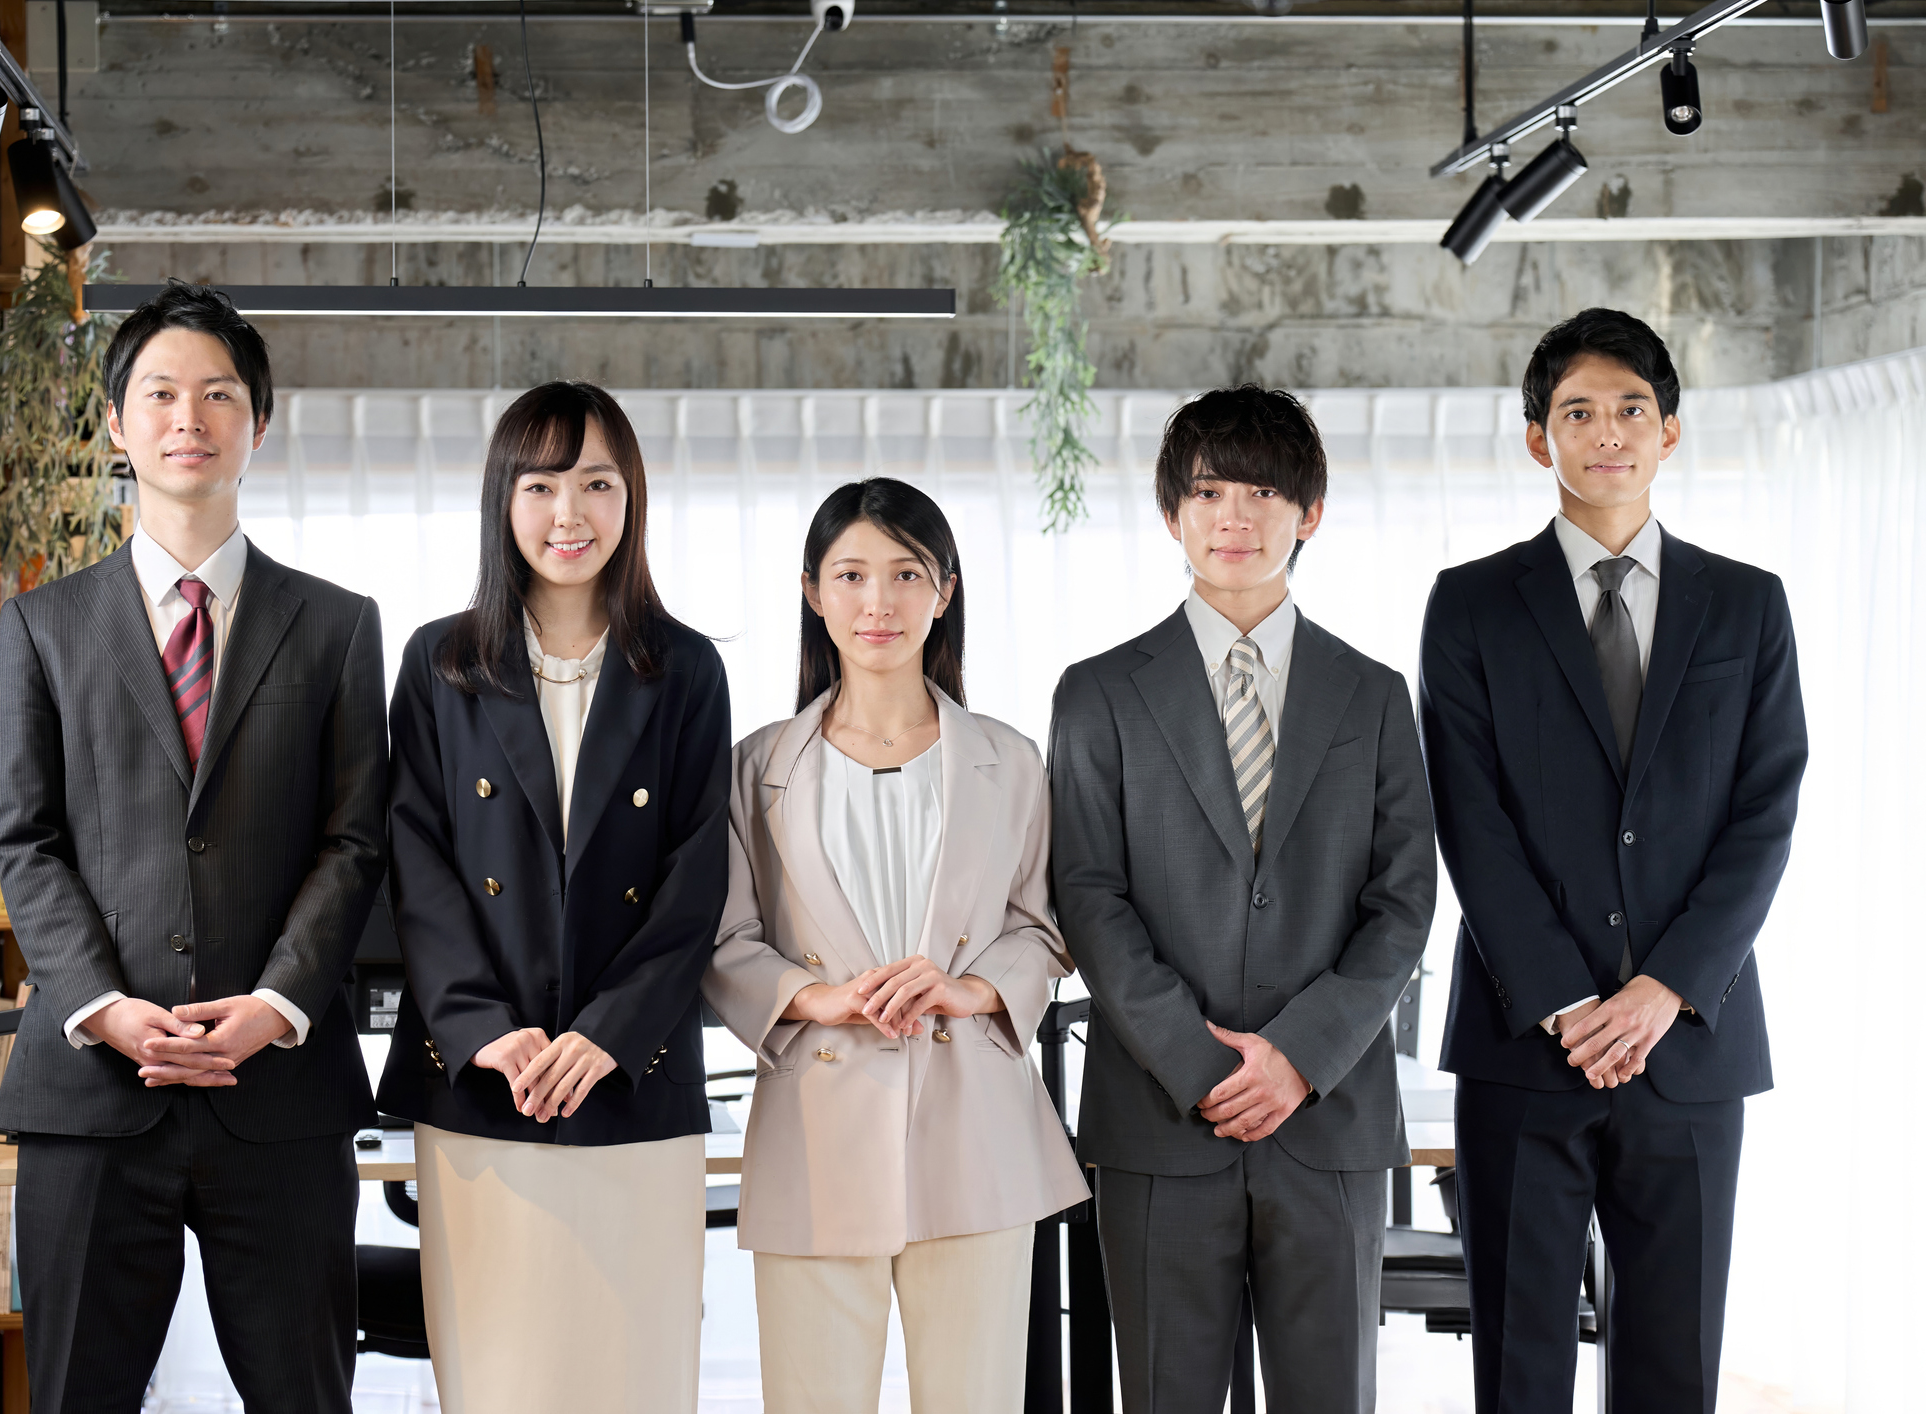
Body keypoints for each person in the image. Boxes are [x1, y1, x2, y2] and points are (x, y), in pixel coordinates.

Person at [0, 282, 387, 1412]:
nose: (189, 418)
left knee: (306, 1394)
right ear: (116, 423)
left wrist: (274, 1005)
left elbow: (354, 842)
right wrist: (104, 1006)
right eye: (160, 392)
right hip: (92, 1091)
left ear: (260, 422)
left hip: (281, 1093)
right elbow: (26, 839)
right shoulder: (44, 625)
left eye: (219, 394)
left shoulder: (337, 624)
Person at [1419, 309, 1807, 1413]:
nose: (1608, 432)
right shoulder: (1472, 603)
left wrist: (1660, 990)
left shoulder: (1748, 604)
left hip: (1690, 1047)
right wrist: (1567, 1000)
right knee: (1519, 1367)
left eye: (1632, 408)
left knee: (1672, 1369)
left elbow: (1765, 816)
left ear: (1670, 431)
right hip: (1523, 1043)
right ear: (1538, 438)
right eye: (1578, 411)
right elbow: (1470, 817)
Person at [1050, 386, 1437, 1414]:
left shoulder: (1375, 693)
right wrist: (1205, 1062)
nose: (1234, 515)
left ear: (1310, 513)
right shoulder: (1098, 694)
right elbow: (1088, 895)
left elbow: (1404, 902)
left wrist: (1300, 1056)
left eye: (1264, 490)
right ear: (1170, 511)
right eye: (1209, 490)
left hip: (1331, 1123)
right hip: (1160, 1125)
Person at [373, 380, 731, 1414]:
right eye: (541, 484)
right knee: (498, 1379)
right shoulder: (441, 664)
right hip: (487, 1086)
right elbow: (420, 862)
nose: (568, 513)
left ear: (633, 500)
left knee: (637, 1375)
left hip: (636, 1085)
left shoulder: (687, 670)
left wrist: (609, 1034)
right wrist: (490, 1031)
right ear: (503, 499)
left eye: (596, 483)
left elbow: (696, 878)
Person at [704, 478, 1088, 1414]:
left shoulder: (1010, 759)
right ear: (812, 591)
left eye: (906, 574)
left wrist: (973, 988)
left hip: (976, 1128)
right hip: (815, 1127)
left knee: (976, 1400)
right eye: (851, 575)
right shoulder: (754, 767)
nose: (878, 603)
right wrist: (814, 996)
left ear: (943, 591)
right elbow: (722, 939)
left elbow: (1044, 928)